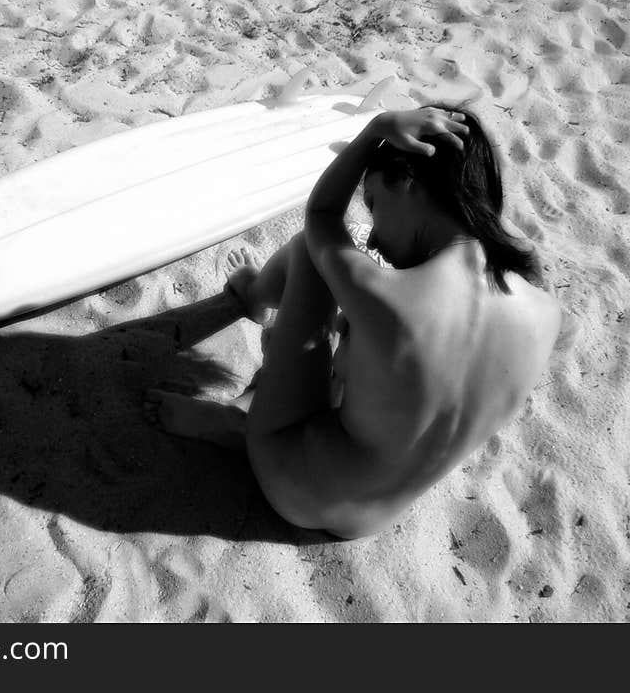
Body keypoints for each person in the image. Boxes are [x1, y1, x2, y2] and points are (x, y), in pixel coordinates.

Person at [145, 105, 562, 539]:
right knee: (370, 345)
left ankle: (250, 328)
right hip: (371, 521)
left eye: (375, 203)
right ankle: (257, 388)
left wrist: (374, 132)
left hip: (289, 481)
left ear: (408, 184)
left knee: (315, 256)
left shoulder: (386, 295)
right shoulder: (546, 315)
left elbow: (321, 217)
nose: (376, 233)